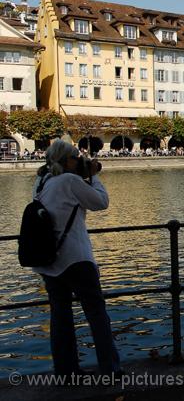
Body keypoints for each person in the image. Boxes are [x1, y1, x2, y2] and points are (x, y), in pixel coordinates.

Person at [32, 140, 120, 376]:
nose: (79, 161)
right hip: (76, 259)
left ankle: (66, 372)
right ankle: (110, 369)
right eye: (75, 157)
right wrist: (94, 177)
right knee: (97, 315)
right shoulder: (70, 181)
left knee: (60, 319)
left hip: (50, 261)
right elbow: (101, 203)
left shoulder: (41, 182)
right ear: (67, 160)